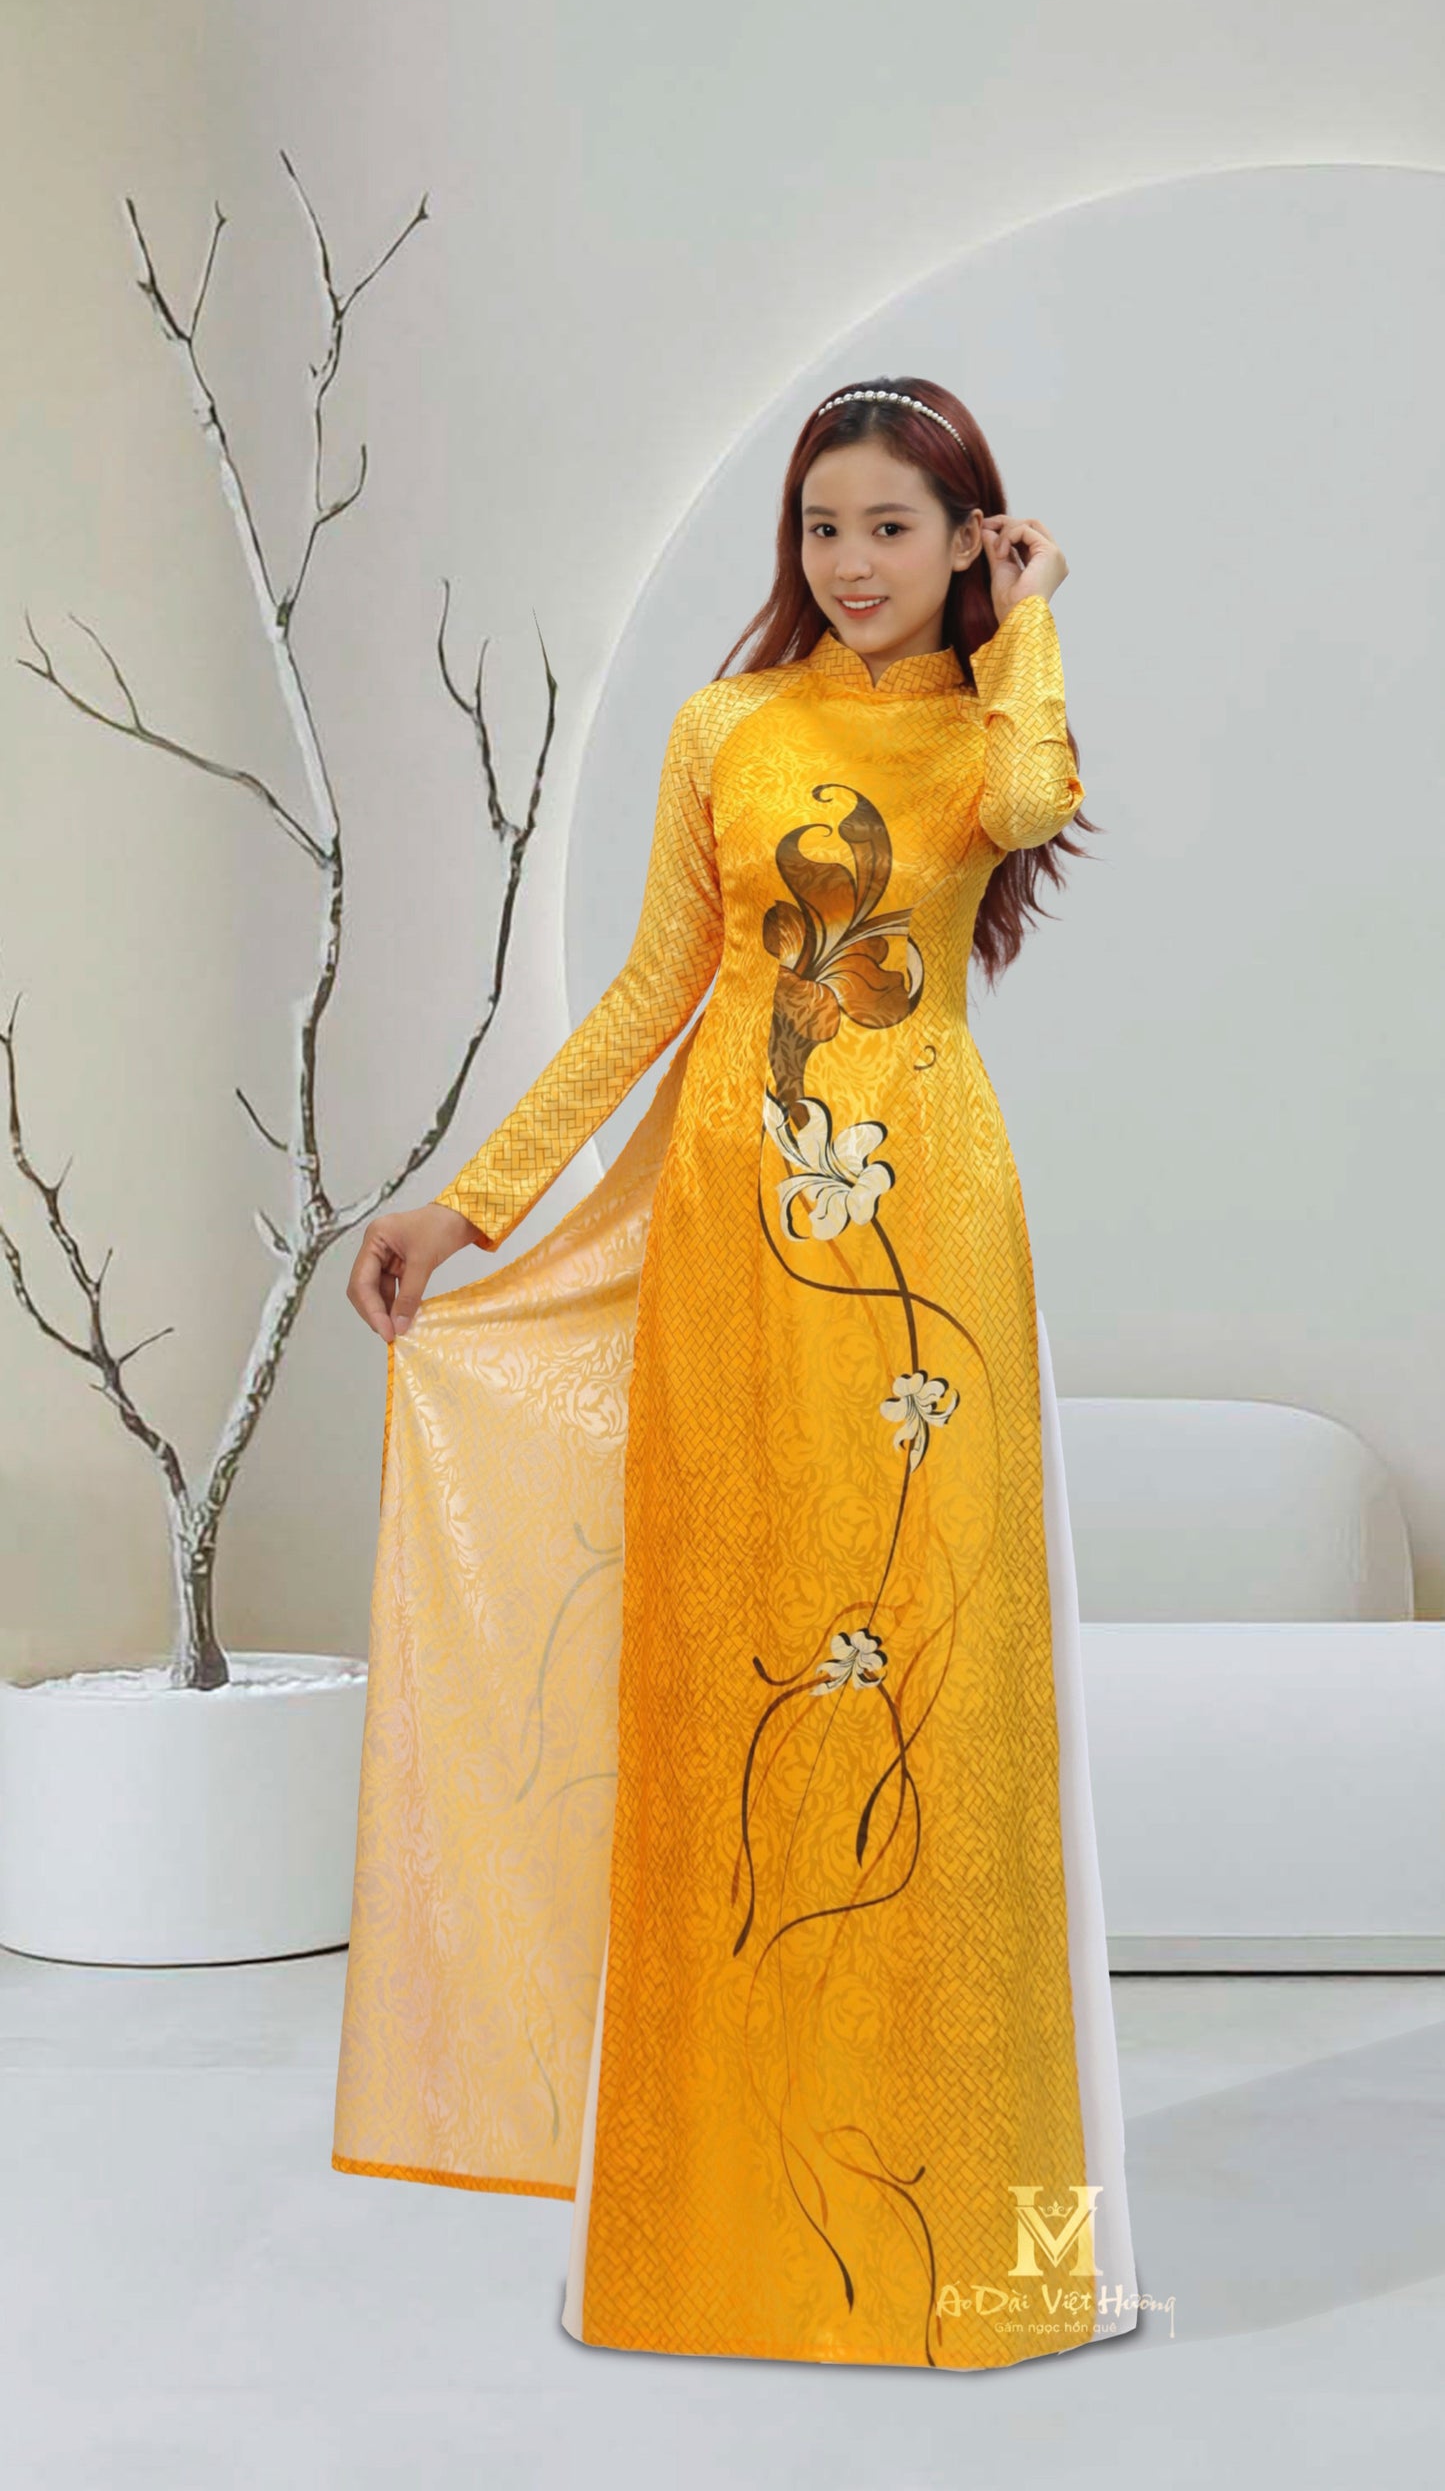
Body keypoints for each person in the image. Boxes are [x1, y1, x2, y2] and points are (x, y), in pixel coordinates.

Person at [334, 376, 1138, 2369]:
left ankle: (987, 2246)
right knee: (731, 1678)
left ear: (968, 536)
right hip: (726, 1240)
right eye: (820, 528)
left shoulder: (988, 716)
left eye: (892, 528)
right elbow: (650, 993)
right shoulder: (724, 728)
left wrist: (1031, 621)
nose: (848, 563)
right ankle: (711, 2230)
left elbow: (1030, 810)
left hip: (923, 1237)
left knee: (935, 1688)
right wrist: (473, 1205)